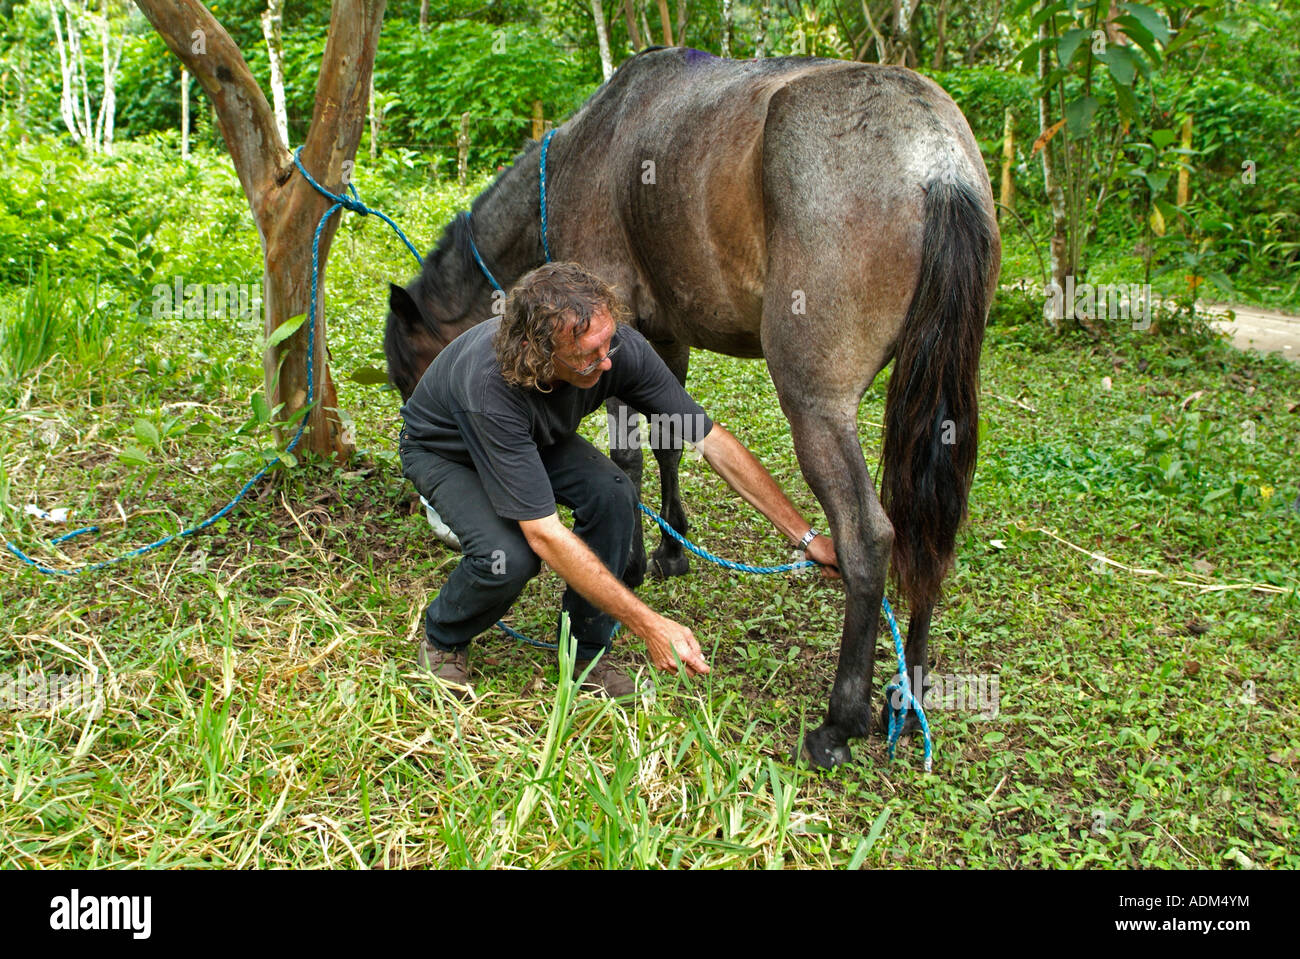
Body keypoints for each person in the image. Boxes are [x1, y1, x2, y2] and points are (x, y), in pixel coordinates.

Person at [398, 262, 839, 700]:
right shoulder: (490, 388)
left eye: (607, 342)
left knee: (612, 495)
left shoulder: (615, 350)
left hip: (533, 438)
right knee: (508, 557)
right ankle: (444, 639)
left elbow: (709, 439)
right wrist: (649, 624)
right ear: (536, 350)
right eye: (587, 355)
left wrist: (807, 536)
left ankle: (584, 655)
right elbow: (545, 535)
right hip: (447, 451)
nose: (606, 361)